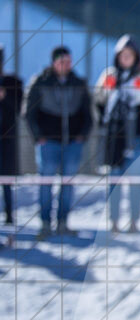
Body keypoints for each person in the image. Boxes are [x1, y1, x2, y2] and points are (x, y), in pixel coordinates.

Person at [23, 46, 92, 238]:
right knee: (46, 183)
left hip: (72, 144)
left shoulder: (78, 83)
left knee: (68, 184)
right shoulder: (40, 82)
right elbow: (29, 113)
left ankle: (63, 223)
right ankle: (45, 224)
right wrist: (38, 137)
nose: (66, 65)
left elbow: (88, 113)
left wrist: (82, 136)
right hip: (48, 144)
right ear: (54, 62)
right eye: (62, 61)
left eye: (69, 61)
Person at [94, 35, 140, 234]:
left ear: (136, 57)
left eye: (130, 55)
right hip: (113, 139)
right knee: (114, 181)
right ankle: (114, 220)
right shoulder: (110, 75)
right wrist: (105, 87)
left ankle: (134, 220)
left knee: (135, 181)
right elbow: (98, 101)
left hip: (136, 138)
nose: (126, 59)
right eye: (123, 55)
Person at [0, 45, 23, 226]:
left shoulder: (12, 82)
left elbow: (19, 108)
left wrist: (4, 96)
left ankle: (9, 215)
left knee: (6, 180)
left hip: (7, 140)